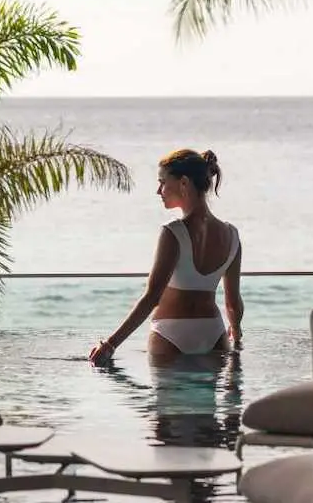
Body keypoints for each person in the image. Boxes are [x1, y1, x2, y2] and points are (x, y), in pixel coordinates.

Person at [88, 148, 243, 365]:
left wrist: (111, 344)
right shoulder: (232, 235)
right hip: (214, 334)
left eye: (162, 182)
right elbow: (233, 303)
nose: (158, 190)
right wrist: (236, 335)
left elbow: (152, 297)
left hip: (171, 335)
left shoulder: (173, 232)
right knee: (207, 399)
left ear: (184, 183)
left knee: (168, 400)